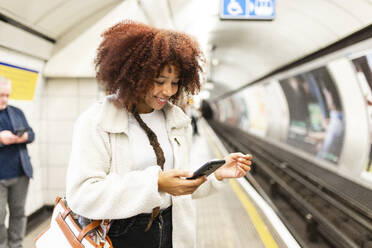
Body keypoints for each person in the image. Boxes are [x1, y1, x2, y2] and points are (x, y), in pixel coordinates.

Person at [65, 20, 252, 248]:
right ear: (134, 75)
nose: (168, 91)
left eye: (175, 83)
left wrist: (216, 174)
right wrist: (155, 184)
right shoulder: (98, 121)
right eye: (159, 81)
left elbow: (178, 185)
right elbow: (83, 195)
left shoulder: (174, 120)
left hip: (171, 230)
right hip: (120, 235)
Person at [0, 76, 35, 248]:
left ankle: (16, 245)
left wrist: (21, 137)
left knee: (18, 213)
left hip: (20, 173)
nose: (4, 99)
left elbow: (31, 134)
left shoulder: (16, 112)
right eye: (0, 95)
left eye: (7, 95)